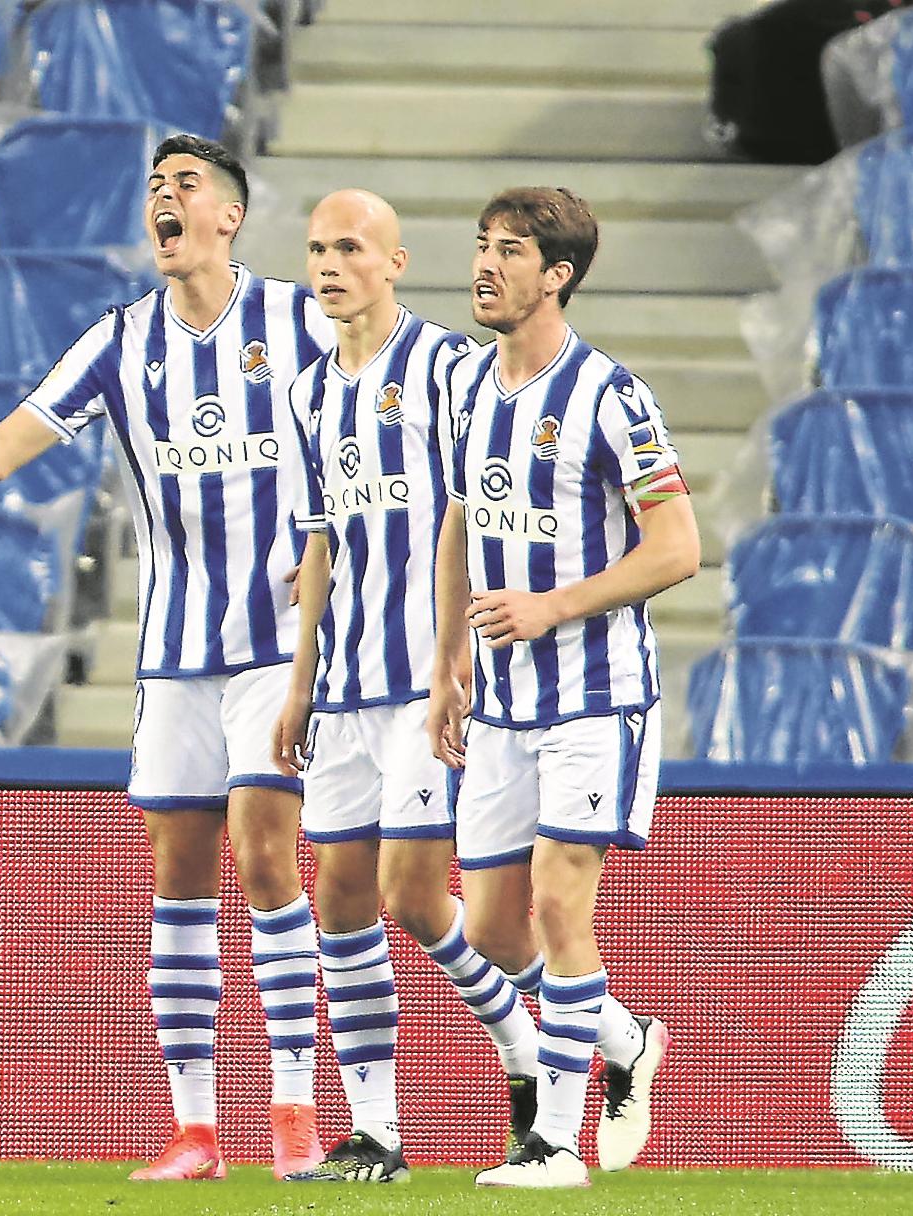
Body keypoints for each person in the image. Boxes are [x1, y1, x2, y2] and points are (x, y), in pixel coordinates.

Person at [0, 134, 334, 1181]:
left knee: (268, 855)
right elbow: (0, 452)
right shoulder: (119, 342)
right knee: (178, 880)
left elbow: (382, 421)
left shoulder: (299, 323)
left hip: (279, 645)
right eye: (154, 190)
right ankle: (194, 1129)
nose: (165, 201)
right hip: (175, 654)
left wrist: (349, 557)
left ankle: (293, 1109)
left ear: (229, 216)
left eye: (185, 186)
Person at [427, 188, 697, 1187]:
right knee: (494, 929)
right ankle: (625, 1041)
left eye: (510, 251)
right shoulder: (468, 388)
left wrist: (554, 605)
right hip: (500, 701)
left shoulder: (611, 396)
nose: (485, 265)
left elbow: (678, 546)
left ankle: (555, 1142)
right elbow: (458, 520)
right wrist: (450, 657)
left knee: (556, 904)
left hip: (597, 693)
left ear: (559, 275)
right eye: (482, 245)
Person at [269, 189, 540, 1183]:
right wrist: (297, 685)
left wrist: (455, 663)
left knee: (414, 897)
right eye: (316, 249)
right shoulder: (304, 395)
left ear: (396, 262)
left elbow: (471, 518)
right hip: (340, 687)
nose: (331, 263)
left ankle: (525, 1050)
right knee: (339, 903)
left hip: (421, 686)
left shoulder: (448, 371)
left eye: (350, 246)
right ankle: (376, 1133)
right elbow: (320, 546)